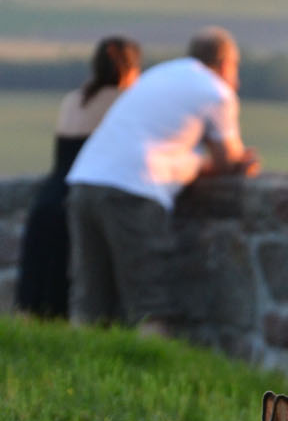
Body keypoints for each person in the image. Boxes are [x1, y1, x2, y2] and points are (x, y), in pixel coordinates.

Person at [66, 26, 260, 330]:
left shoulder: (159, 74)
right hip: (134, 188)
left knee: (91, 302)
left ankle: (80, 361)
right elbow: (229, 160)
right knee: (149, 303)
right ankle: (152, 358)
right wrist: (240, 163)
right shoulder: (216, 92)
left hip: (84, 181)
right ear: (225, 64)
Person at [15, 36, 142, 319]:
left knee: (36, 301)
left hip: (47, 201)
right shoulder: (125, 102)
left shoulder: (73, 99)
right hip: (81, 204)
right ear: (130, 69)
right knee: (74, 298)